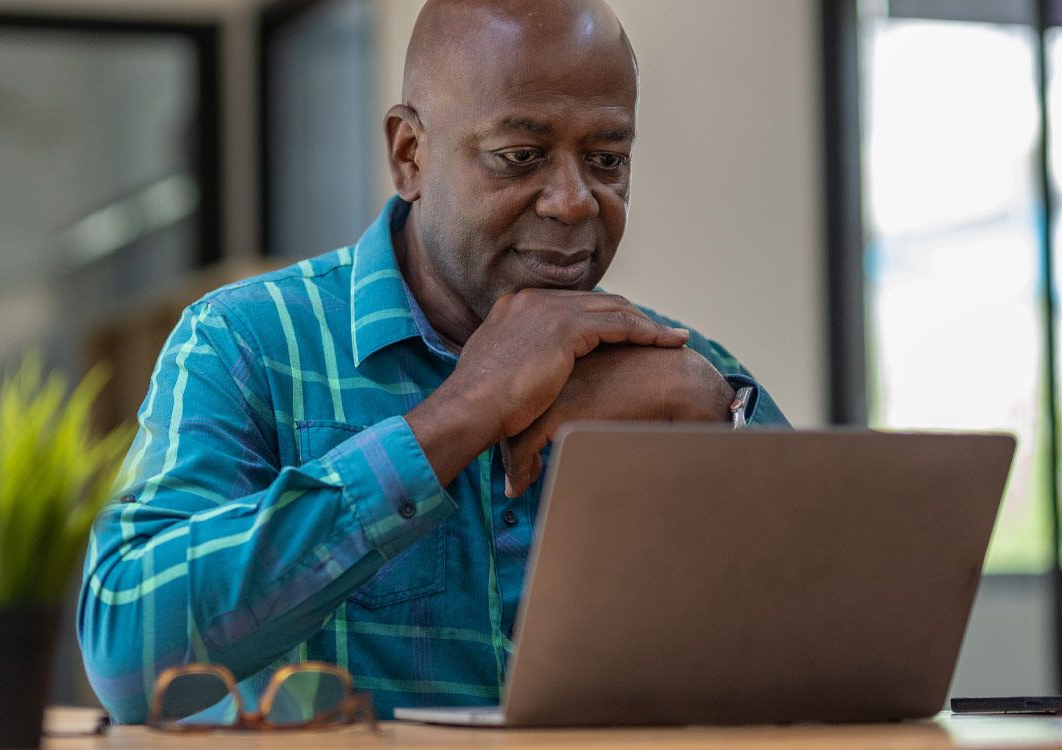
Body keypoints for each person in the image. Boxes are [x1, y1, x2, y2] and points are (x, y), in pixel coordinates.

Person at [77, 0, 789, 723]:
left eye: (607, 160)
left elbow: (849, 626)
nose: (575, 201)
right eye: (522, 156)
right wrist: (459, 414)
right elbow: (126, 654)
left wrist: (715, 414)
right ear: (410, 154)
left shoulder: (674, 371)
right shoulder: (246, 345)